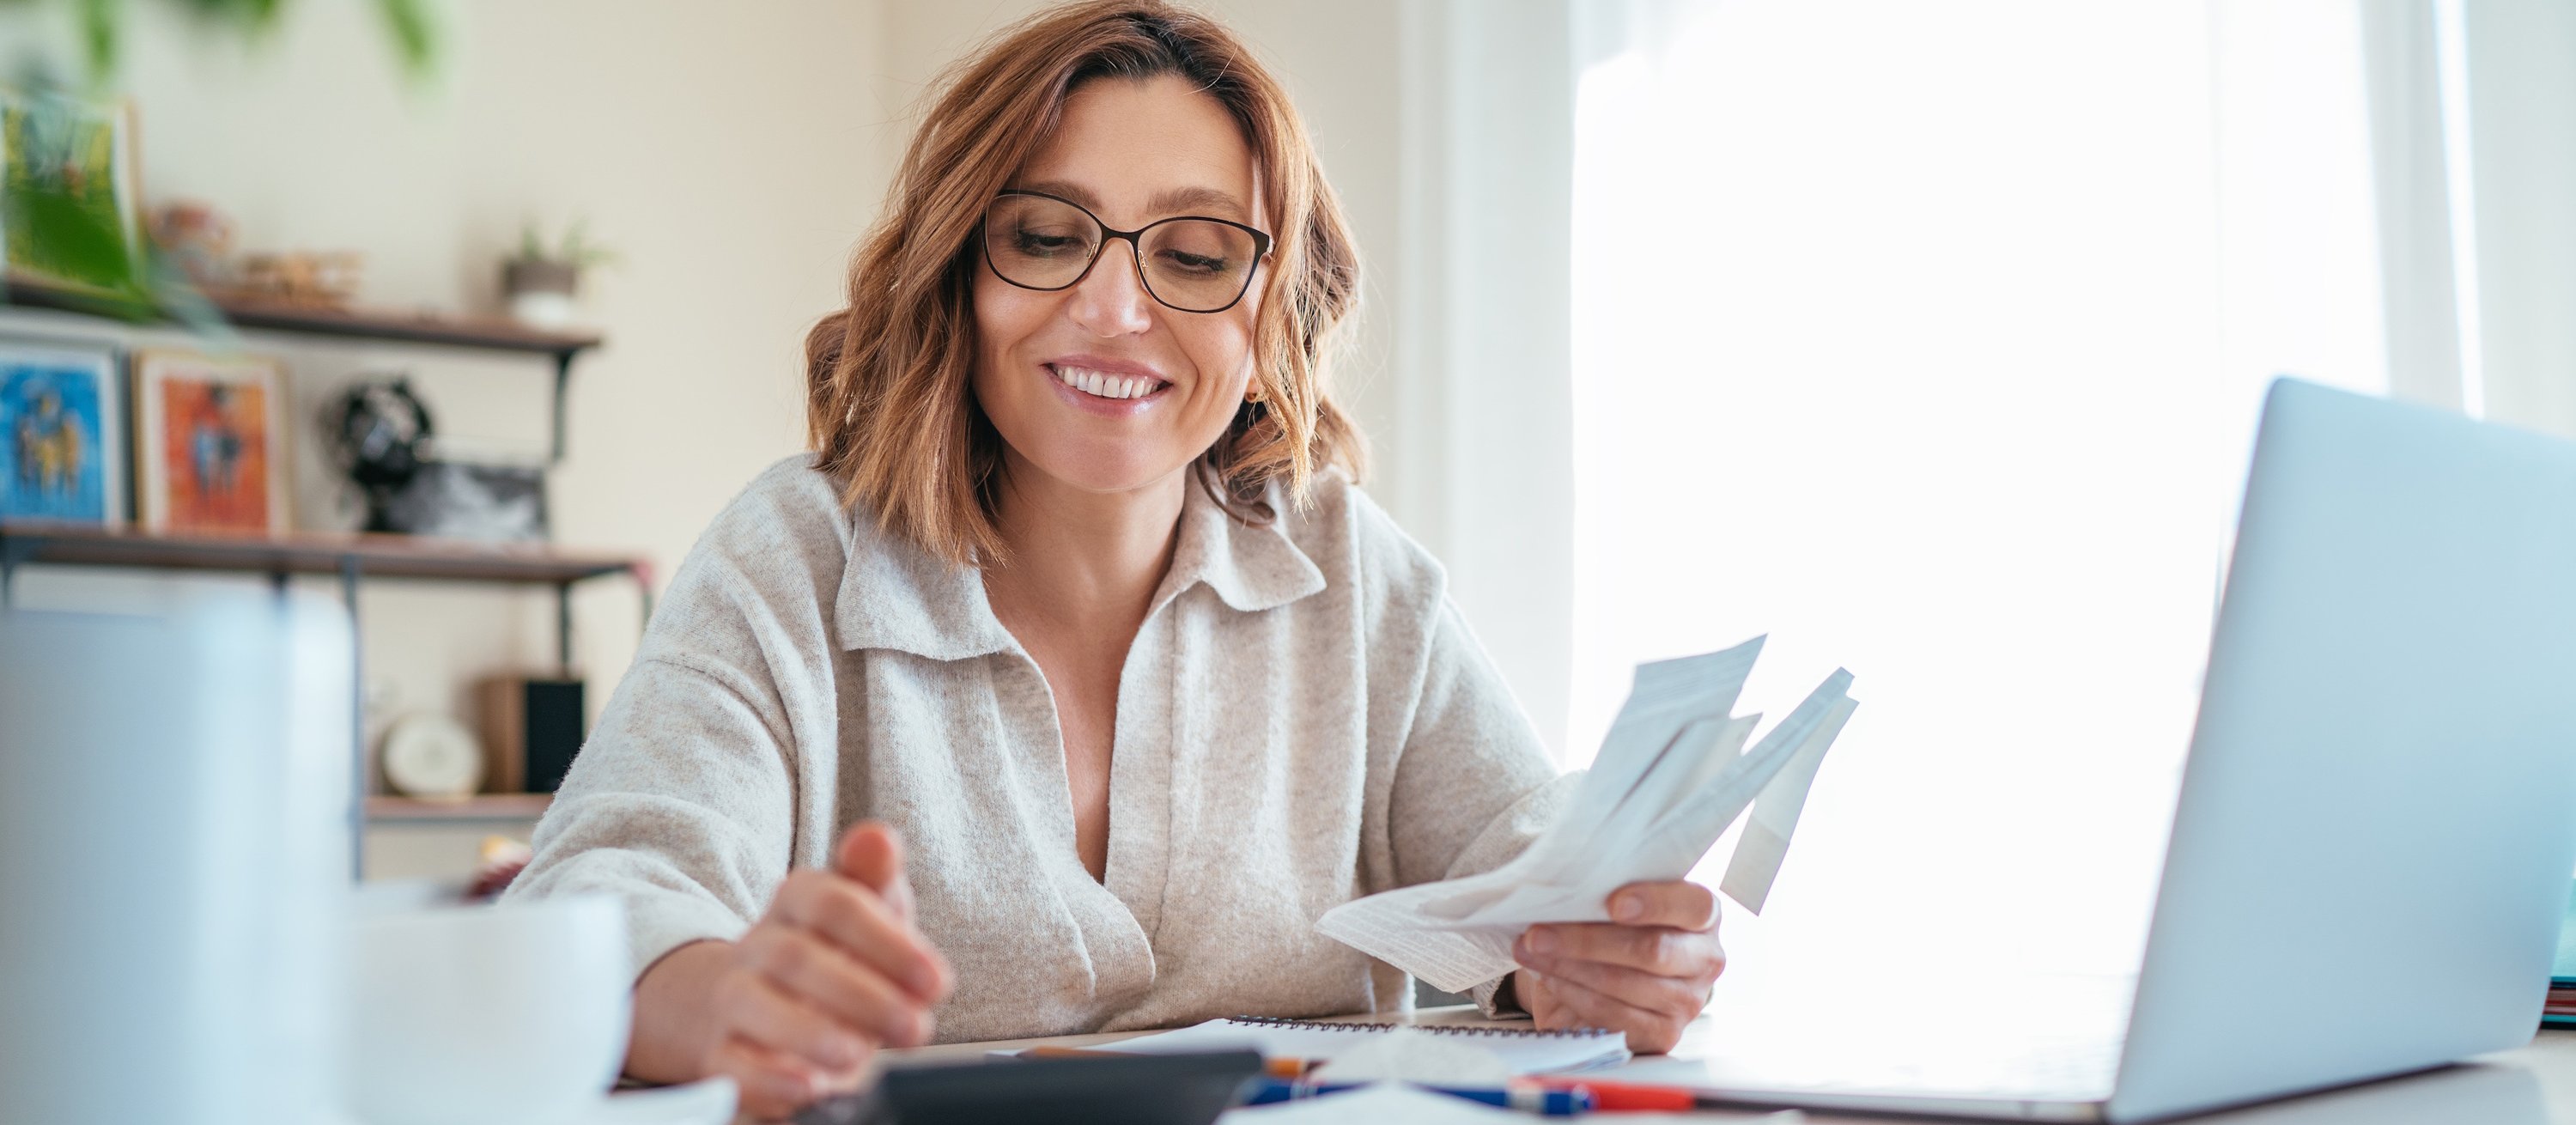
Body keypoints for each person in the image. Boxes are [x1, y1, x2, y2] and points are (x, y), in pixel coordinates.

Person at [503, 2, 1723, 1117]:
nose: (1112, 308)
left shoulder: (1352, 569)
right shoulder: (795, 559)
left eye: (1192, 257)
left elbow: (1530, 871)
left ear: (1271, 314)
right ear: (960, 271)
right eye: (1045, 236)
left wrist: (1601, 964)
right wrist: (726, 1000)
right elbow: (592, 907)